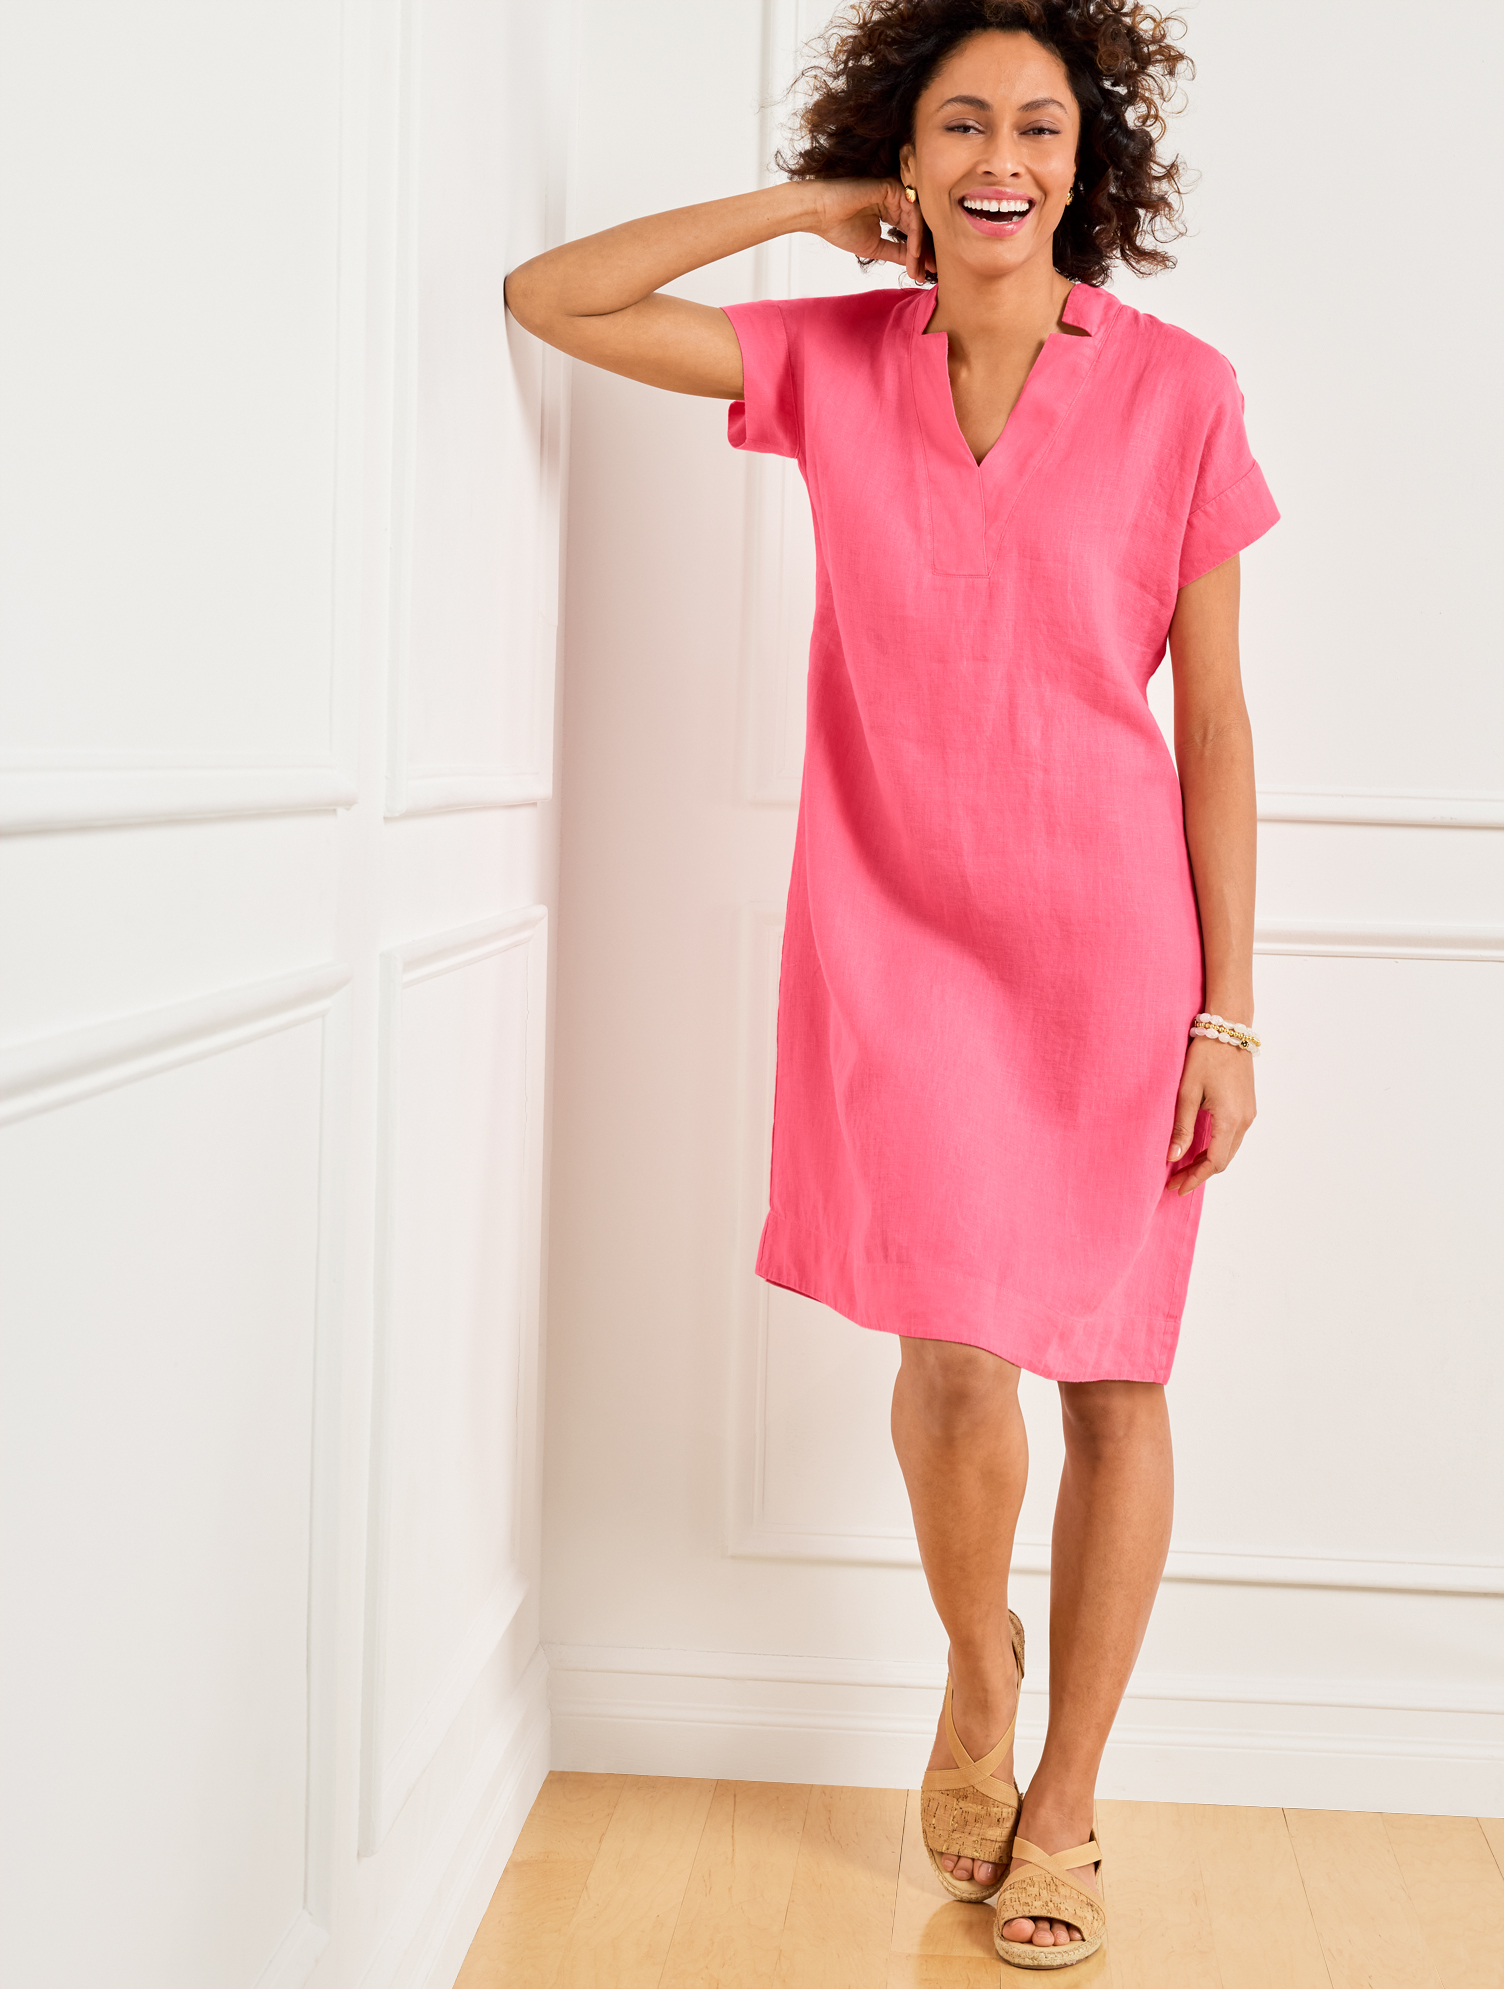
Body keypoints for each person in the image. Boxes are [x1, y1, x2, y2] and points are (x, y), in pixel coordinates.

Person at [507, 0, 1276, 1966]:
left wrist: (1227, 1008)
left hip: (1113, 955)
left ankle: (1064, 1806)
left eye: (1037, 124)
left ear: (1089, 158)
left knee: (1115, 1375)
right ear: (907, 155)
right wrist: (801, 208)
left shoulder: (1180, 391)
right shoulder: (833, 358)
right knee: (946, 1363)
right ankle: (975, 1662)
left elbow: (1213, 722)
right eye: (959, 124)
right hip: (896, 933)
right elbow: (553, 298)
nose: (1001, 156)